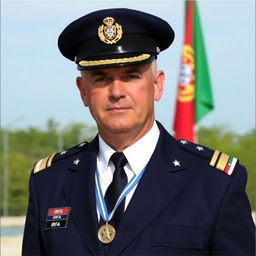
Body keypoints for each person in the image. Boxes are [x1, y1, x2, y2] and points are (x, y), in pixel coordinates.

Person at [22, 8, 255, 255]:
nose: (117, 92)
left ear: (157, 85)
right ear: (83, 91)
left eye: (131, 76)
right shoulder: (49, 182)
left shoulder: (214, 182)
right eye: (101, 79)